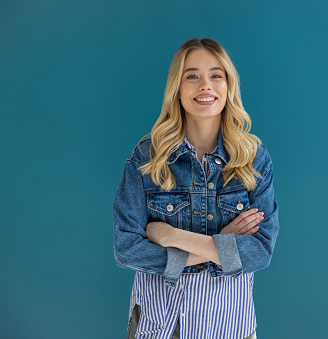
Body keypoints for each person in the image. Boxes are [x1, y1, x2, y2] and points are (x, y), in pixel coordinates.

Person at [113, 37, 280, 339]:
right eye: (192, 76)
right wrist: (226, 244)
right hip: (160, 324)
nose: (205, 85)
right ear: (177, 89)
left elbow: (261, 252)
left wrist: (172, 236)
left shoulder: (254, 159)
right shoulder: (146, 158)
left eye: (216, 75)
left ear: (228, 87)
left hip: (231, 324)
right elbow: (126, 249)